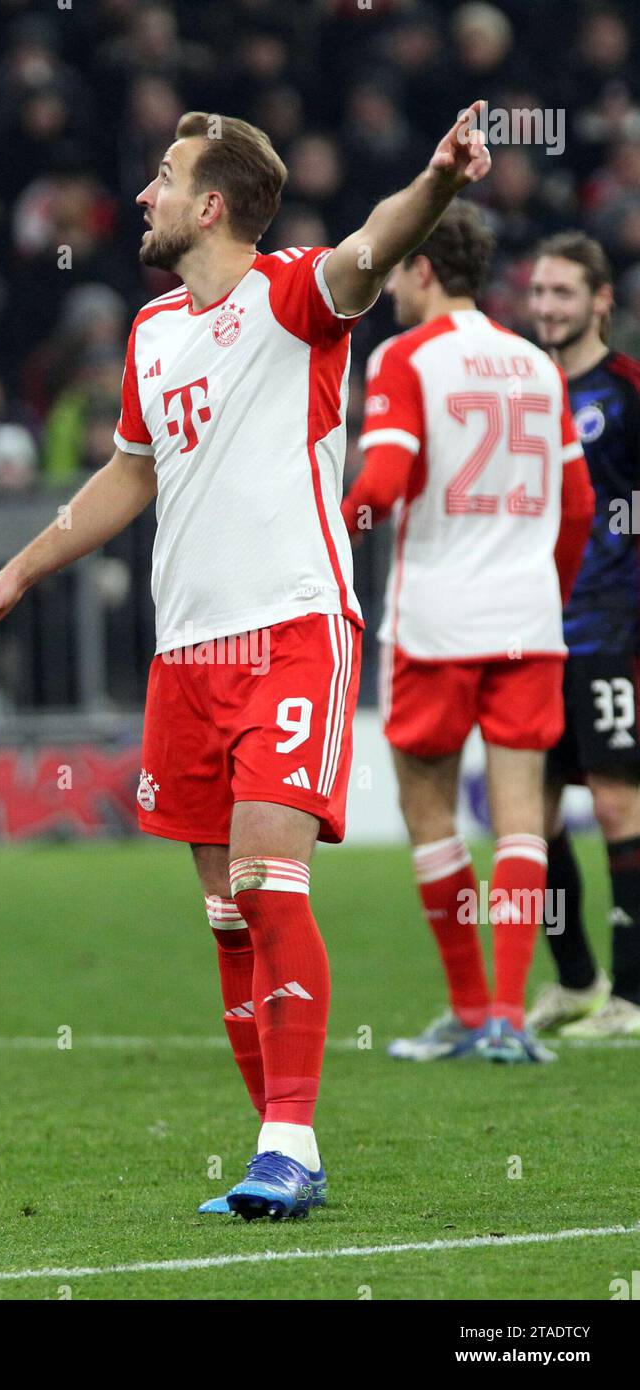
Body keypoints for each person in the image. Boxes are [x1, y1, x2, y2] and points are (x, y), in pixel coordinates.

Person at [0, 105, 491, 1219]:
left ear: (210, 205)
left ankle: (287, 1143)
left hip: (292, 628)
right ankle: (279, 1144)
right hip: (185, 652)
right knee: (227, 919)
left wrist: (437, 180)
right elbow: (128, 474)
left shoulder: (292, 298)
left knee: (265, 878)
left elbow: (376, 244)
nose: (140, 195)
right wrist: (18, 571)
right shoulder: (150, 333)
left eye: (161, 177)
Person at [341, 202, 595, 1064]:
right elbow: (582, 506)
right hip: (527, 621)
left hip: (437, 620)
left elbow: (384, 476)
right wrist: (546, 591)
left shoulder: (404, 357)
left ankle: (466, 1007)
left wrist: (338, 526)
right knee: (522, 817)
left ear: (420, 269)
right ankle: (510, 1022)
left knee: (429, 809)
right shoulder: (535, 363)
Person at [527, 232, 640, 1038]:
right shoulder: (522, 388)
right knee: (528, 813)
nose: (546, 307)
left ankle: (631, 998)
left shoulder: (626, 390)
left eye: (562, 293)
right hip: (529, 631)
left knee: (613, 802)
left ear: (599, 299)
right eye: (538, 292)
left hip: (608, 625)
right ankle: (574, 980)